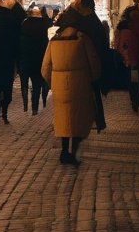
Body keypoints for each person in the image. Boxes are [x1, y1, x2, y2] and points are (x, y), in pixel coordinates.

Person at [41, 23, 101, 166]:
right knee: (78, 119)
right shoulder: (82, 39)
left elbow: (45, 67)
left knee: (63, 120)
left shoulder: (54, 41)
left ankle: (64, 151)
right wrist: (92, 78)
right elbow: (94, 61)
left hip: (60, 87)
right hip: (80, 85)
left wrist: (52, 82)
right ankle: (72, 153)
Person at [56, 0, 109, 130]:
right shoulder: (92, 19)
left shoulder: (75, 18)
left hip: (78, 63)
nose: (73, 2)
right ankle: (95, 119)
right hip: (89, 63)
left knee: (77, 95)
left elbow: (61, 33)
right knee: (91, 93)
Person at [19, 5, 51, 114]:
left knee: (24, 83)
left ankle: (25, 105)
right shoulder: (43, 29)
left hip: (25, 60)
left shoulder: (24, 25)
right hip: (39, 61)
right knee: (37, 85)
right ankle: (35, 108)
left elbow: (20, 45)